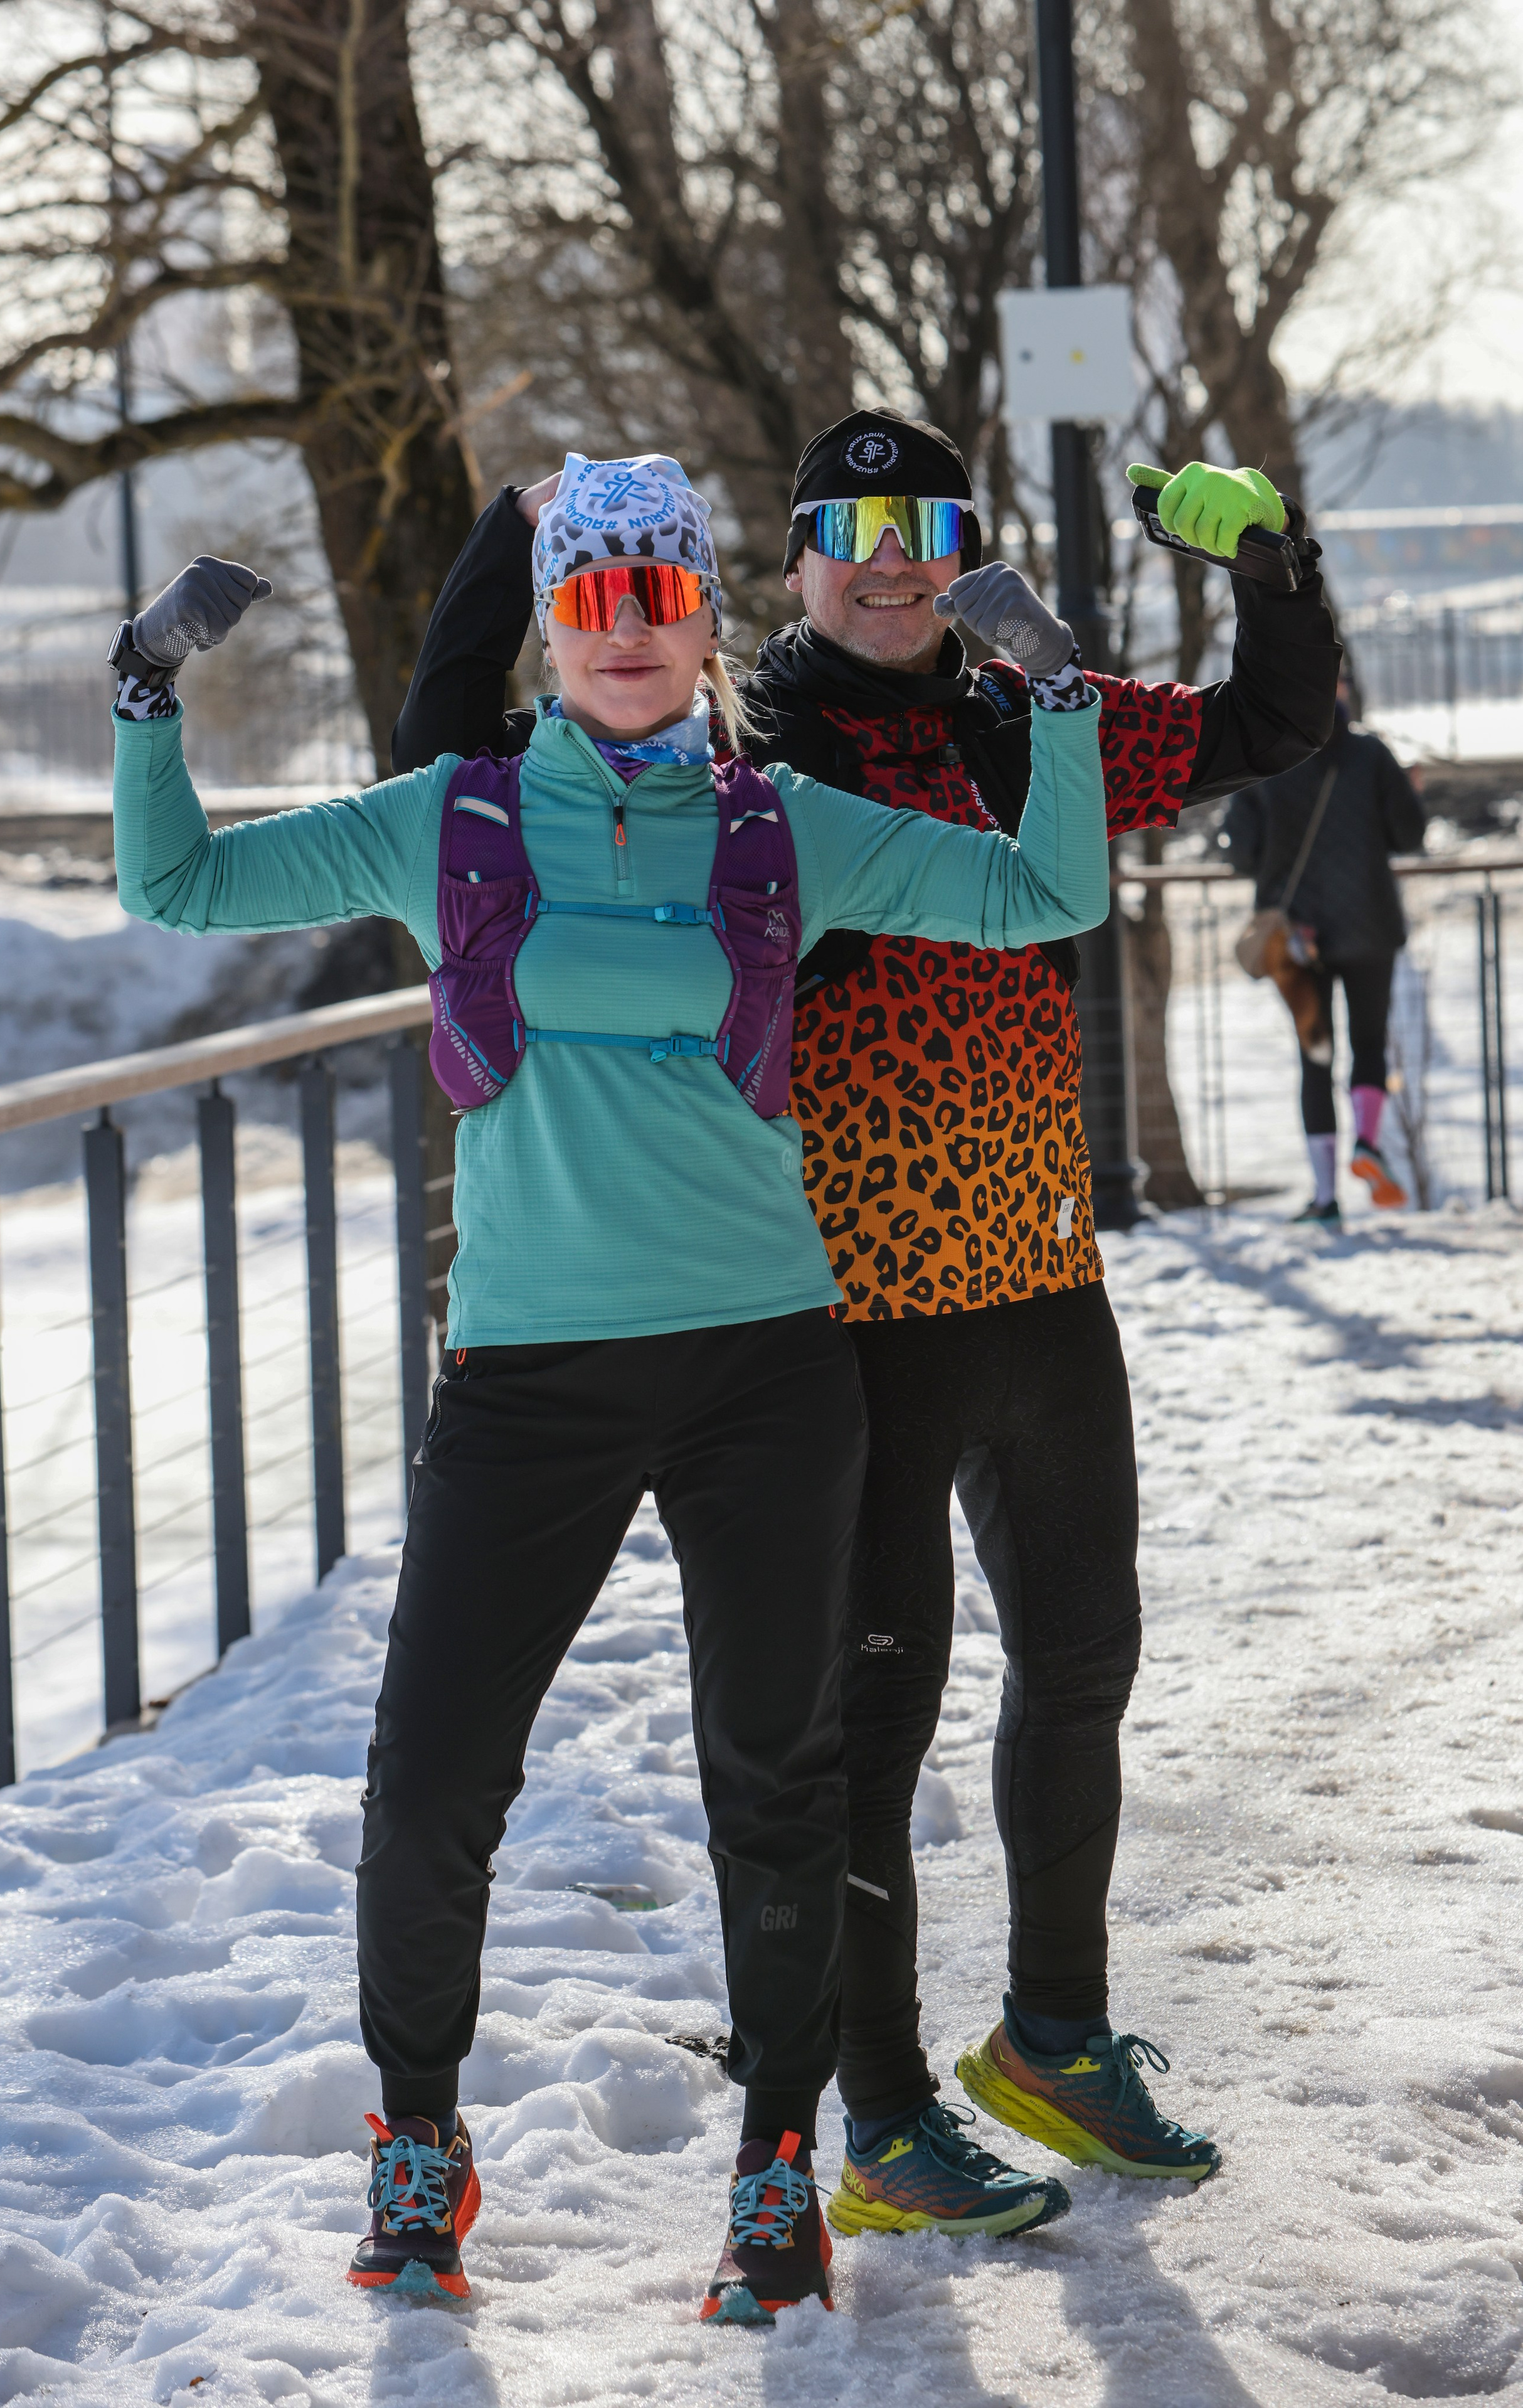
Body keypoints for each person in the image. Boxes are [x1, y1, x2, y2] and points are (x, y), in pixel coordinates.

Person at [105, 452, 1110, 2322]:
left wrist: (1053, 694)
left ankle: (775, 2164)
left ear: (698, 623)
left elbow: (1045, 887)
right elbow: (169, 882)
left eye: (657, 597)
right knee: (428, 1785)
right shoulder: (455, 814)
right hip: (530, 1376)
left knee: (777, 1782)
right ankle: (418, 2139)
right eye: (589, 598)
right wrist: (149, 694)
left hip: (762, 1369)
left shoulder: (780, 822)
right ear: (552, 624)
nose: (625, 630)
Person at [391, 412, 1342, 2227]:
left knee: (1083, 1662)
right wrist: (502, 554)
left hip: (1043, 1279)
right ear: (798, 557)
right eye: (851, 527)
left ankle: (1056, 2031)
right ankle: (882, 2108)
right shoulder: (738, 748)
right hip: (846, 1307)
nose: (893, 557)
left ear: (963, 543)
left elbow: (1270, 727)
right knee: (862, 1731)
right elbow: (452, 761)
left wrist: (1269, 558)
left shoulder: (1013, 714)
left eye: (927, 525)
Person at [1224, 671, 1426, 1224]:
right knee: (1368, 1045)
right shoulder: (1370, 754)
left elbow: (1239, 853)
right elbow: (1409, 836)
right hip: (1368, 926)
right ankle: (1368, 1144)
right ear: (1341, 693)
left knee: (1315, 1056)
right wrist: (1411, 791)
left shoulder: (1263, 760)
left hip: (1294, 940)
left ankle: (1324, 1195)